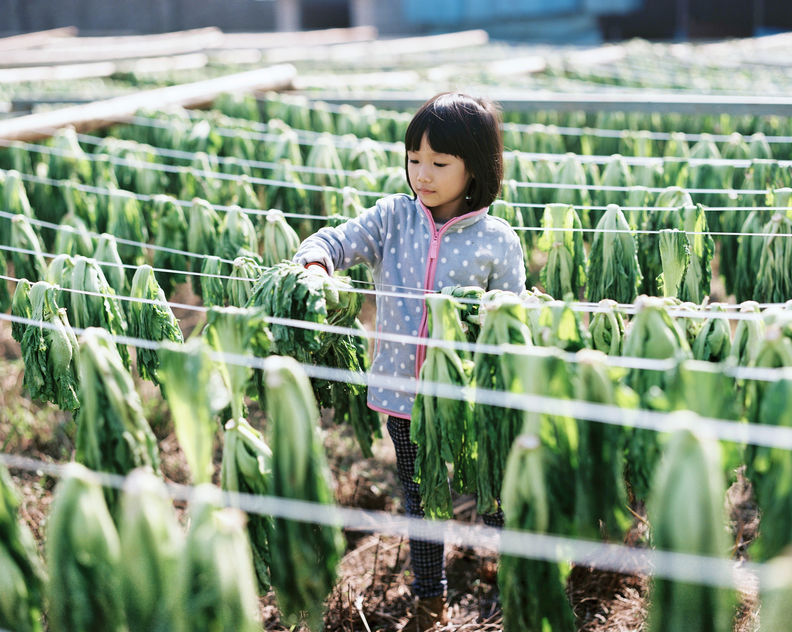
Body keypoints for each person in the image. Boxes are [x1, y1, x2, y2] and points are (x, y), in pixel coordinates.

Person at [294, 92, 526, 630]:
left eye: (439, 163)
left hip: (470, 398)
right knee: (420, 499)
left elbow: (515, 325)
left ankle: (513, 575)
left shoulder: (498, 241)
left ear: (476, 170)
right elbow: (341, 239)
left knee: (493, 491)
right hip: (401, 393)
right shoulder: (393, 218)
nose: (422, 174)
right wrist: (315, 261)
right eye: (413, 159)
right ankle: (430, 596)